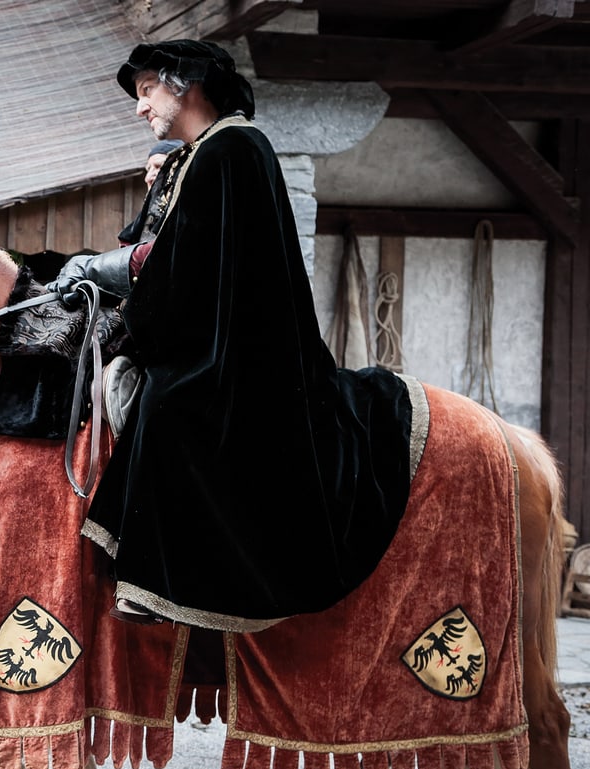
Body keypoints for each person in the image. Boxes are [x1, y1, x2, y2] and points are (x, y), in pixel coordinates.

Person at [51, 41, 414, 632]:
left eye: (146, 91)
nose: (140, 108)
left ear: (184, 83)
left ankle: (161, 582)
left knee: (170, 405)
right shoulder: (198, 152)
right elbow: (162, 251)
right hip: (209, 332)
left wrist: (95, 268)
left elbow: (176, 260)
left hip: (244, 349)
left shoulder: (233, 146)